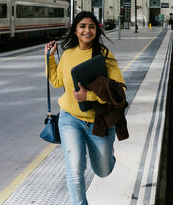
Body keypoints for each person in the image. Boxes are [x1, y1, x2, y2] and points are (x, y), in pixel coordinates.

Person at [44, 11, 125, 205]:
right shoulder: (68, 53)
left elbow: (118, 91)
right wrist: (49, 58)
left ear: (97, 29)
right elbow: (56, 81)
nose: (87, 30)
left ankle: (109, 156)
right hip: (70, 119)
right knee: (74, 169)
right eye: (82, 26)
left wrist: (88, 96)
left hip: (99, 121)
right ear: (75, 29)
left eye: (91, 26)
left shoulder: (104, 55)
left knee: (103, 171)